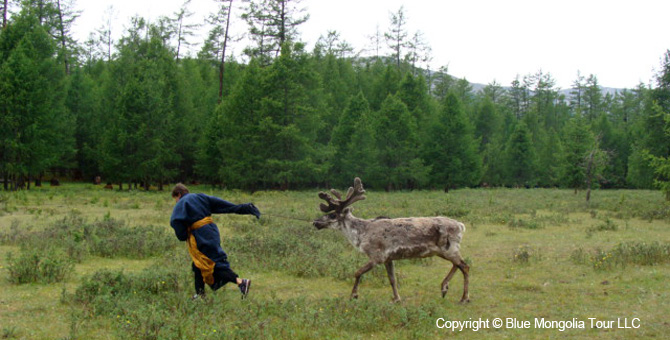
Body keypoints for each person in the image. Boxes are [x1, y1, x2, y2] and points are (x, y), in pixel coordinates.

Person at [169, 183, 261, 299]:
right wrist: (246, 208)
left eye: (175, 199)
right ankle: (200, 294)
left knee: (213, 264)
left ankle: (240, 282)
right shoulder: (201, 197)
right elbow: (224, 205)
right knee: (198, 264)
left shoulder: (182, 203)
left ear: (178, 194)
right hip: (211, 231)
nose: (176, 202)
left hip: (200, 235)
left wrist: (183, 235)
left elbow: (175, 221)